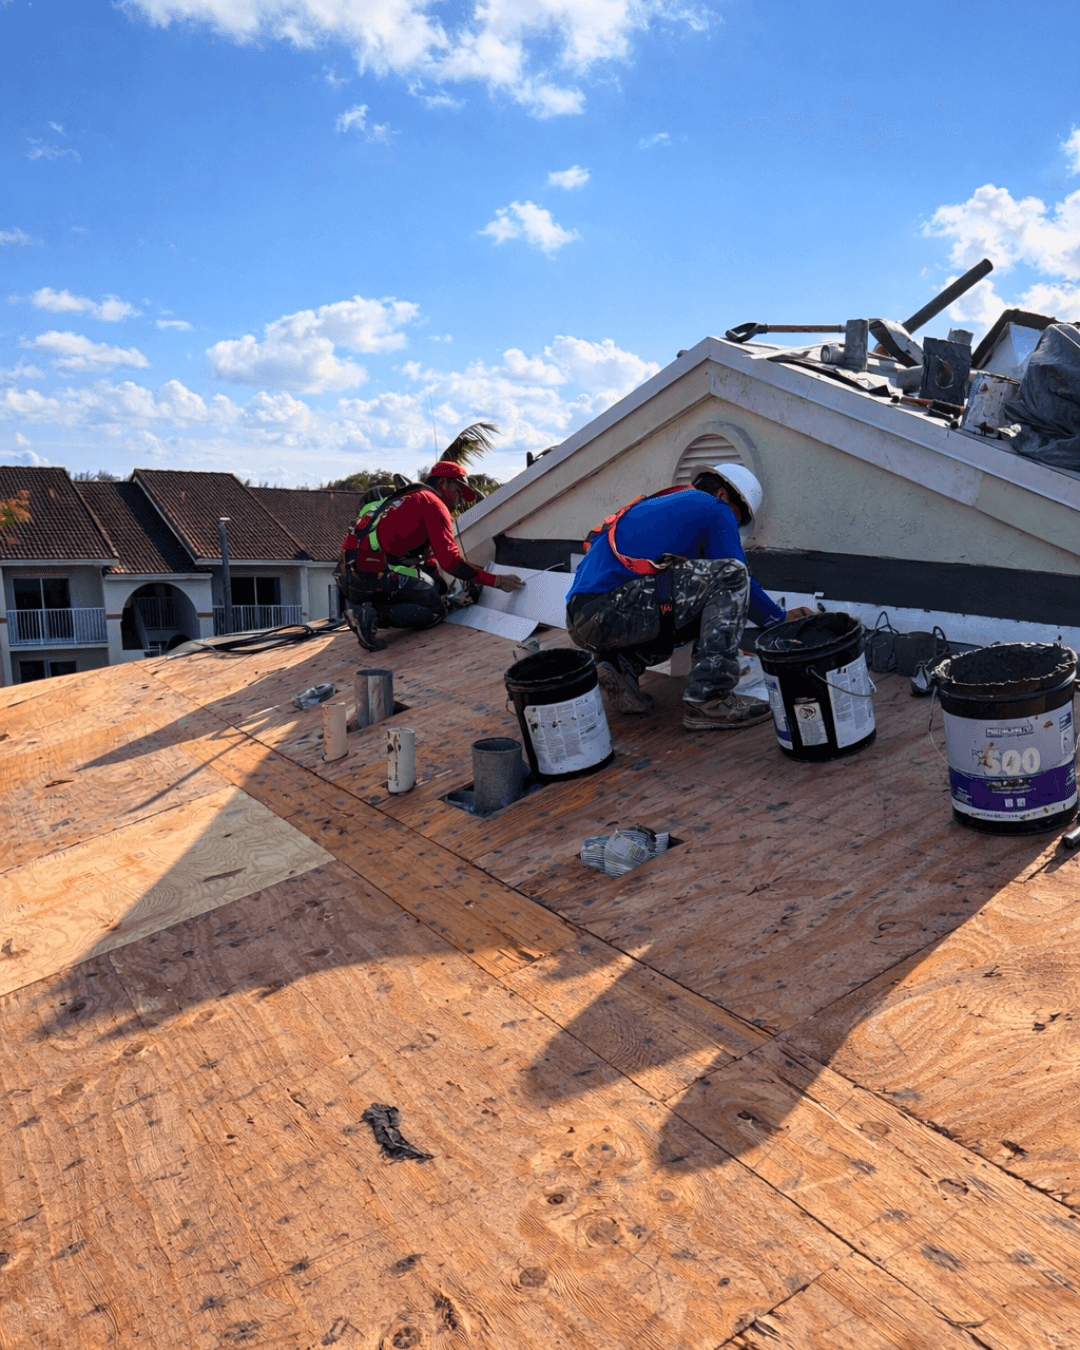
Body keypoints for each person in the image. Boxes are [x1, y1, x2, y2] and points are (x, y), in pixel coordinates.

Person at [566, 464, 812, 730]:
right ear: (723, 495)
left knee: (693, 601)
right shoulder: (714, 508)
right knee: (731, 574)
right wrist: (779, 619)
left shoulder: (663, 505)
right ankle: (710, 699)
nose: (733, 526)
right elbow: (736, 576)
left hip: (583, 617)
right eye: (737, 518)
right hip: (613, 607)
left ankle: (620, 666)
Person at [339, 461, 523, 651]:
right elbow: (452, 563)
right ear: (443, 484)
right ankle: (371, 615)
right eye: (459, 492)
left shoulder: (411, 499)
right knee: (435, 611)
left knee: (432, 592)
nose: (460, 501)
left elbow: (427, 557)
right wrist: (497, 581)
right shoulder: (434, 504)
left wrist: (440, 587)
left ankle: (365, 610)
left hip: (354, 579)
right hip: (373, 576)